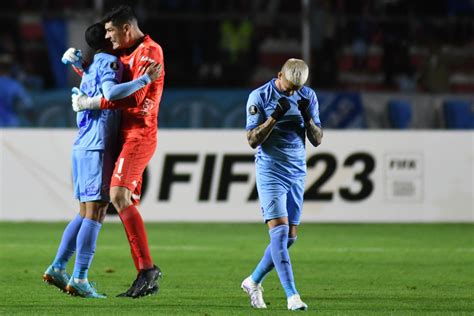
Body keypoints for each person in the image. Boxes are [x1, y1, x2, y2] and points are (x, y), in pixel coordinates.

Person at [42, 22, 160, 298]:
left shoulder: (93, 65)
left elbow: (96, 84)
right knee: (95, 214)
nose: (112, 36)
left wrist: (81, 66)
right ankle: (80, 277)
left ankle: (59, 266)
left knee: (84, 212)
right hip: (97, 147)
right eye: (108, 33)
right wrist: (145, 80)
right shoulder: (110, 62)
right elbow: (110, 93)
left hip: (82, 145)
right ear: (107, 41)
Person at [241, 58, 323, 311]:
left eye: (297, 88)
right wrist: (274, 117)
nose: (292, 92)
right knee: (278, 232)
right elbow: (252, 140)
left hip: (297, 172)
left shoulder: (307, 96)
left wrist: (308, 117)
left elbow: (318, 139)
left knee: (290, 238)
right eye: (288, 87)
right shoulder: (260, 97)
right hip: (271, 171)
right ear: (279, 75)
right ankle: (292, 295)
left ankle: (253, 281)